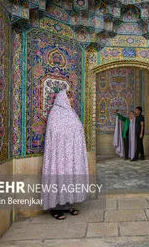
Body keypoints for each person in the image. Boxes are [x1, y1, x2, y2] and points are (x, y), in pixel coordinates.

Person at [42, 89, 89, 220]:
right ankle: (56, 209)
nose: (72, 100)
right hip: (60, 155)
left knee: (69, 178)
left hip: (71, 154)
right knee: (59, 178)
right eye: (70, 98)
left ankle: (68, 205)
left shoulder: (71, 112)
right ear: (63, 98)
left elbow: (77, 128)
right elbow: (55, 133)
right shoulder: (55, 113)